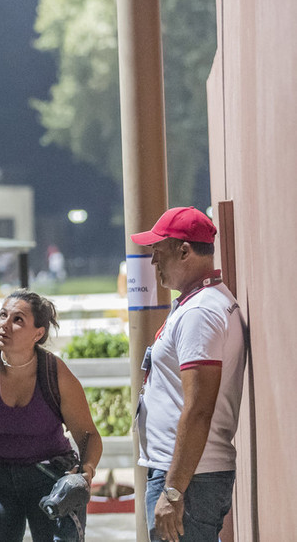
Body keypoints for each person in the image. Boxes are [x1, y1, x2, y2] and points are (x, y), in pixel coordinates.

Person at [0, 289, 102, 542]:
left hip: (48, 479)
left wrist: (85, 473)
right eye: (3, 315)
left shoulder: (55, 373)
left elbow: (88, 435)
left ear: (38, 333)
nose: (5, 324)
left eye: (18, 319)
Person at [130, 207, 245, 542]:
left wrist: (173, 492)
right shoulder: (197, 303)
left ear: (184, 250)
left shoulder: (200, 312)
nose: (153, 262)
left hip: (189, 478)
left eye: (158, 251)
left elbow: (198, 409)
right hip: (189, 473)